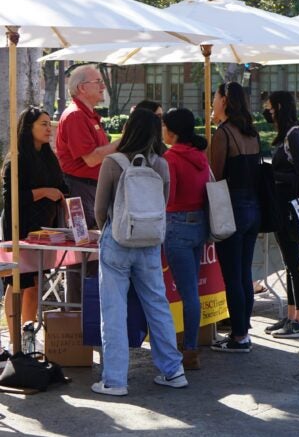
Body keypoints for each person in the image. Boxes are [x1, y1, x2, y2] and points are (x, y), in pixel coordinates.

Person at [92, 108, 186, 396]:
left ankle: (115, 380)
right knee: (157, 304)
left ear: (128, 129)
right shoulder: (161, 164)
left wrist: (111, 228)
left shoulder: (112, 162)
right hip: (149, 243)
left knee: (114, 310)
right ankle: (173, 370)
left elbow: (99, 209)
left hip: (117, 241)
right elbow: (164, 202)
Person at [1, 107, 69, 343]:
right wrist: (44, 192)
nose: (48, 128)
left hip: (45, 231)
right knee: (17, 280)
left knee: (34, 283)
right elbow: (11, 199)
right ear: (28, 127)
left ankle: (28, 334)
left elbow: (62, 187)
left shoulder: (49, 157)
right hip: (20, 229)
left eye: (49, 123)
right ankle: (14, 338)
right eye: (43, 123)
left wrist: (64, 197)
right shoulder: (16, 159)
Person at [56, 65, 119, 304]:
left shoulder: (88, 115)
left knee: (91, 253)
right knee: (83, 252)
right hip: (79, 191)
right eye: (98, 81)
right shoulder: (75, 116)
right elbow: (91, 158)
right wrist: (122, 142)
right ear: (82, 87)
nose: (103, 86)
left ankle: (88, 312)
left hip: (91, 189)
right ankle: (79, 313)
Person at [210, 81, 261, 352]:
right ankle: (244, 330)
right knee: (244, 273)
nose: (213, 102)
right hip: (253, 207)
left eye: (215, 98)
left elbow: (215, 177)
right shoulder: (252, 133)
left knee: (233, 275)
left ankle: (239, 335)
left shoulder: (223, 134)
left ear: (225, 101)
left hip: (232, 208)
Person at [264, 91, 299, 339]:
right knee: (290, 262)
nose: (268, 113)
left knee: (295, 264)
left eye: (270, 108)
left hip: (292, 207)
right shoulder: (290, 134)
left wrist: (272, 175)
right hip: (286, 206)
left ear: (280, 107)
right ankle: (293, 314)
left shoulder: (294, 134)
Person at [162, 108, 210, 369]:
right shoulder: (199, 155)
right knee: (192, 290)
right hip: (199, 224)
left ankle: (189, 350)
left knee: (186, 291)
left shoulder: (171, 158)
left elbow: (169, 197)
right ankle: (190, 347)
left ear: (173, 131)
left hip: (177, 225)